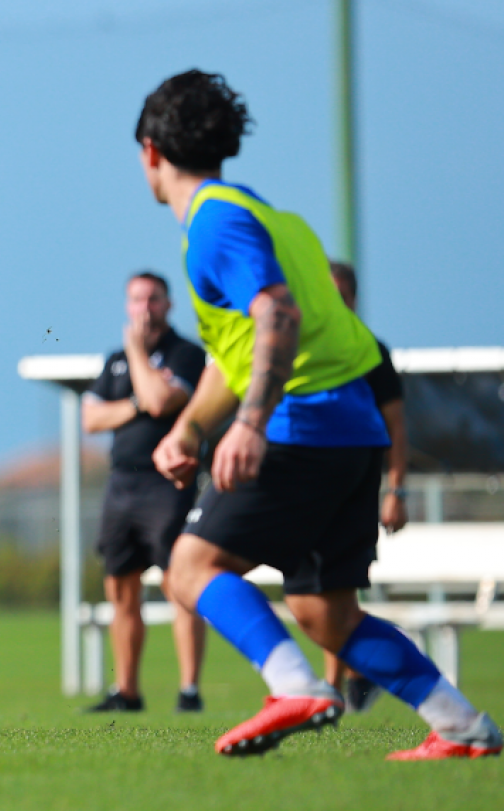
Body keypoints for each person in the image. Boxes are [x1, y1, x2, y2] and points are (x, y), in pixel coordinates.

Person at [138, 69, 498, 759]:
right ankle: (462, 723)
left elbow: (278, 314)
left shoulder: (215, 222)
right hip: (354, 432)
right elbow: (237, 353)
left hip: (304, 426)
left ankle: (294, 686)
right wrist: (189, 426)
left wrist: (247, 423)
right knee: (325, 611)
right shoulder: (277, 219)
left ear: (151, 151)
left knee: (188, 564)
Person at [80, 272, 208, 713]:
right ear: (127, 306)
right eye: (137, 299)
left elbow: (161, 402)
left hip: (167, 484)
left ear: (169, 305)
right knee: (120, 588)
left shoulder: (187, 354)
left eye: (153, 299)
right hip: (122, 484)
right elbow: (91, 419)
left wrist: (138, 358)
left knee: (180, 586)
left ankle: (189, 690)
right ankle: (127, 691)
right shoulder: (114, 359)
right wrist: (135, 401)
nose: (145, 307)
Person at [321, 260, 409, 712]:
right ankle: (352, 675)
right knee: (321, 589)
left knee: (339, 587)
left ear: (353, 298)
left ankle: (335, 685)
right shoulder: (308, 349)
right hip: (312, 485)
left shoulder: (372, 352)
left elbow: (395, 424)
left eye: (341, 293)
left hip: (356, 487)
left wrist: (396, 490)